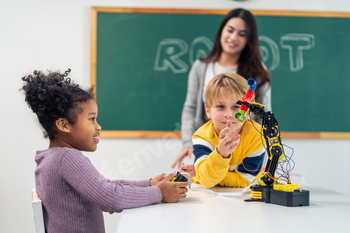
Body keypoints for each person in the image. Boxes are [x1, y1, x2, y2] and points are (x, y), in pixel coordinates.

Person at [21, 69, 188, 233]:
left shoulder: (51, 159)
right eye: (92, 119)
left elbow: (105, 187)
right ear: (64, 125)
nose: (98, 126)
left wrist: (149, 184)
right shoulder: (66, 157)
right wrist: (159, 193)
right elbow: (111, 198)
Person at [171, 8, 271, 168]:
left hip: (243, 149)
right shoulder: (201, 66)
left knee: (239, 185)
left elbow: (264, 115)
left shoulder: (258, 72)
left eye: (242, 34)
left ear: (249, 40)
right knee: (210, 181)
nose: (233, 37)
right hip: (208, 145)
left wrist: (262, 154)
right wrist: (188, 142)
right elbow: (190, 107)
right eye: (230, 30)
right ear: (221, 31)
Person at [179, 73, 265, 188]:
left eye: (236, 107)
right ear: (208, 110)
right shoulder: (202, 137)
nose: (228, 115)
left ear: (248, 112)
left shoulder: (257, 136)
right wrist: (221, 153)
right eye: (220, 106)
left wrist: (199, 173)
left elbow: (246, 180)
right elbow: (208, 181)